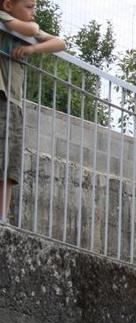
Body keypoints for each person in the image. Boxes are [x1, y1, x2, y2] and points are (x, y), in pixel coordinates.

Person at [0, 0, 65, 222]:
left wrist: (32, 48)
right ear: (8, 5)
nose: (33, 12)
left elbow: (60, 43)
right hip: (3, 96)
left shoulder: (18, 25)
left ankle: (3, 217)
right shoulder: (4, 17)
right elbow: (30, 29)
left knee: (9, 165)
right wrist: (34, 30)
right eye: (28, 7)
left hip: (14, 102)